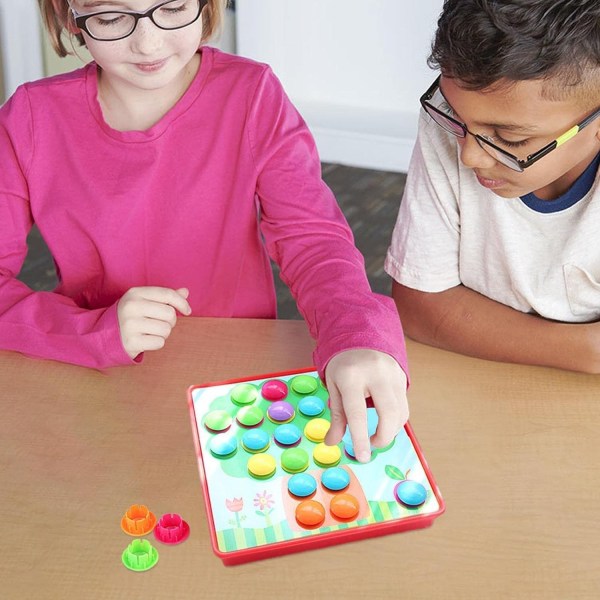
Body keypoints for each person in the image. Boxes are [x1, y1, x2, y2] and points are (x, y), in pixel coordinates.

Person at [0, 0, 409, 461]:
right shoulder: (30, 117)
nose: (148, 43)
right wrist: (90, 331)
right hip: (101, 378)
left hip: (239, 377)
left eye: (173, 8)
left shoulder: (252, 92)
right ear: (67, 15)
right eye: (111, 18)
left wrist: (355, 333)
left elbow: (312, 238)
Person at [386, 0, 600, 373]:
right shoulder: (458, 122)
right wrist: (586, 350)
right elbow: (419, 306)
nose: (470, 157)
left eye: (509, 140)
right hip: (470, 377)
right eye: (456, 116)